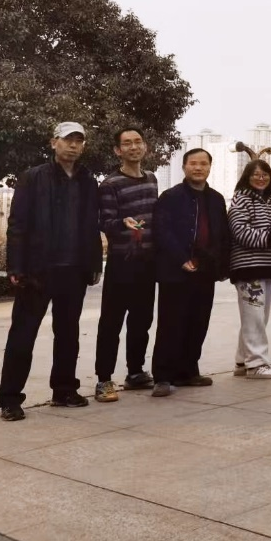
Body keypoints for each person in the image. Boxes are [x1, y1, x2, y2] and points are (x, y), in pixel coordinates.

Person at [0, 122, 103, 421]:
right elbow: (17, 225)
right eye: (68, 140)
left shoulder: (88, 180)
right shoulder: (33, 177)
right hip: (37, 271)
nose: (73, 145)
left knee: (68, 334)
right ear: (54, 142)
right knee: (23, 335)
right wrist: (16, 266)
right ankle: (10, 399)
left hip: (74, 270)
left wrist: (94, 263)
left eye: (79, 141)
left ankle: (64, 390)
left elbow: (91, 225)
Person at [151, 147, 230, 397]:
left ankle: (188, 371)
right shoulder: (171, 197)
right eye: (193, 163)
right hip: (176, 271)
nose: (198, 168)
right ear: (184, 167)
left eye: (203, 163)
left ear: (210, 167)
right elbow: (162, 231)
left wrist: (221, 266)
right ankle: (163, 377)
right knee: (171, 323)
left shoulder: (216, 199)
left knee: (198, 322)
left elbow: (222, 235)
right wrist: (181, 259)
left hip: (205, 270)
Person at [94, 127, 158, 404]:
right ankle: (104, 379)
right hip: (122, 263)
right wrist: (122, 223)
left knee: (142, 321)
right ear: (117, 151)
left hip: (147, 263)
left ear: (145, 146)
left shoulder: (152, 179)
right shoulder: (110, 184)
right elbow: (104, 222)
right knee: (111, 323)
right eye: (127, 143)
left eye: (138, 142)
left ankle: (135, 372)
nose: (134, 147)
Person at [228, 159, 271, 380]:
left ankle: (242, 360)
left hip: (269, 264)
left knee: (258, 316)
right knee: (254, 315)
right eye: (255, 174)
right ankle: (256, 363)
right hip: (248, 267)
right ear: (247, 177)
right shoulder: (240, 200)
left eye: (265, 174)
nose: (261, 178)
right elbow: (240, 232)